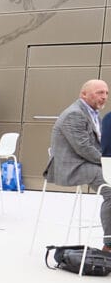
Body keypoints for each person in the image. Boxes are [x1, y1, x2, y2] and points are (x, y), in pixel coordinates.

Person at [47, 79, 110, 252]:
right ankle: (109, 246)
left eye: (106, 93)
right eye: (99, 93)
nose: (104, 97)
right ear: (83, 94)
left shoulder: (94, 114)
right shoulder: (74, 114)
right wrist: (107, 163)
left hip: (86, 162)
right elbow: (84, 148)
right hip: (72, 166)